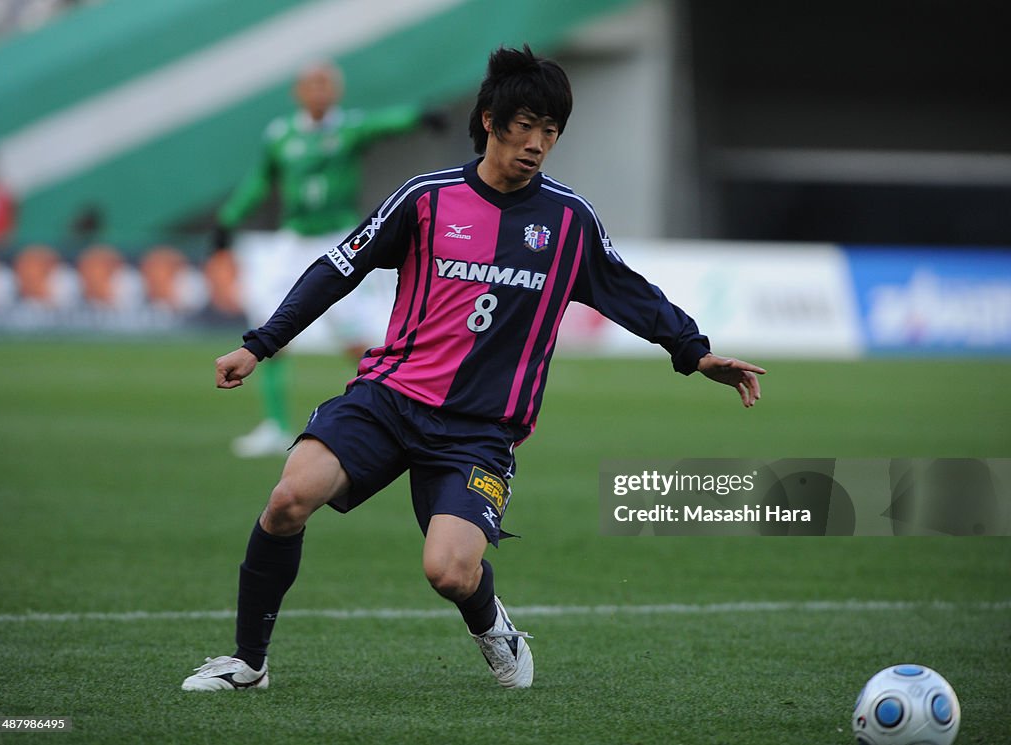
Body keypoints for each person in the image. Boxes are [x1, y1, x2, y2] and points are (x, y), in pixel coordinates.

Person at [182, 45, 764, 692]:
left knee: (449, 571)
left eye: (551, 131)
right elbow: (336, 270)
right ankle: (247, 661)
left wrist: (694, 349)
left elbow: (629, 290)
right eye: (525, 126)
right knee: (289, 496)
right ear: (489, 120)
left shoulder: (569, 220)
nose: (538, 144)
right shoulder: (425, 198)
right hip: (390, 396)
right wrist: (259, 344)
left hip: (480, 429)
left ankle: (495, 626)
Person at [213, 60, 447, 458]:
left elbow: (384, 123)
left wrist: (418, 116)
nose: (319, 90)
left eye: (326, 83)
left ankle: (396, 415)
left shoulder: (348, 127)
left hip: (339, 242)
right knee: (267, 330)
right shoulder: (281, 136)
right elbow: (260, 181)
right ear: (298, 92)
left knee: (359, 342)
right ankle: (273, 426)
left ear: (336, 91)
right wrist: (229, 218)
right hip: (292, 243)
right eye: (311, 84)